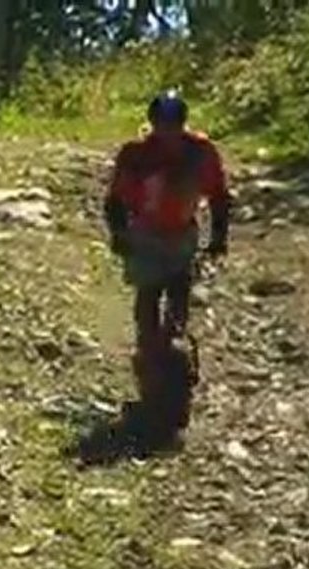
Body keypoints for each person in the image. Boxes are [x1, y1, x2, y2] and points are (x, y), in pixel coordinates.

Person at [103, 90, 231, 403]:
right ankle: (148, 353)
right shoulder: (135, 154)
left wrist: (218, 237)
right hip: (145, 232)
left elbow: (219, 196)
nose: (168, 132)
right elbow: (115, 200)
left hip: (181, 232)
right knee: (147, 294)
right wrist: (119, 234)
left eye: (174, 125)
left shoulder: (200, 151)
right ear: (152, 123)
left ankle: (174, 346)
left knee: (179, 289)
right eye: (163, 125)